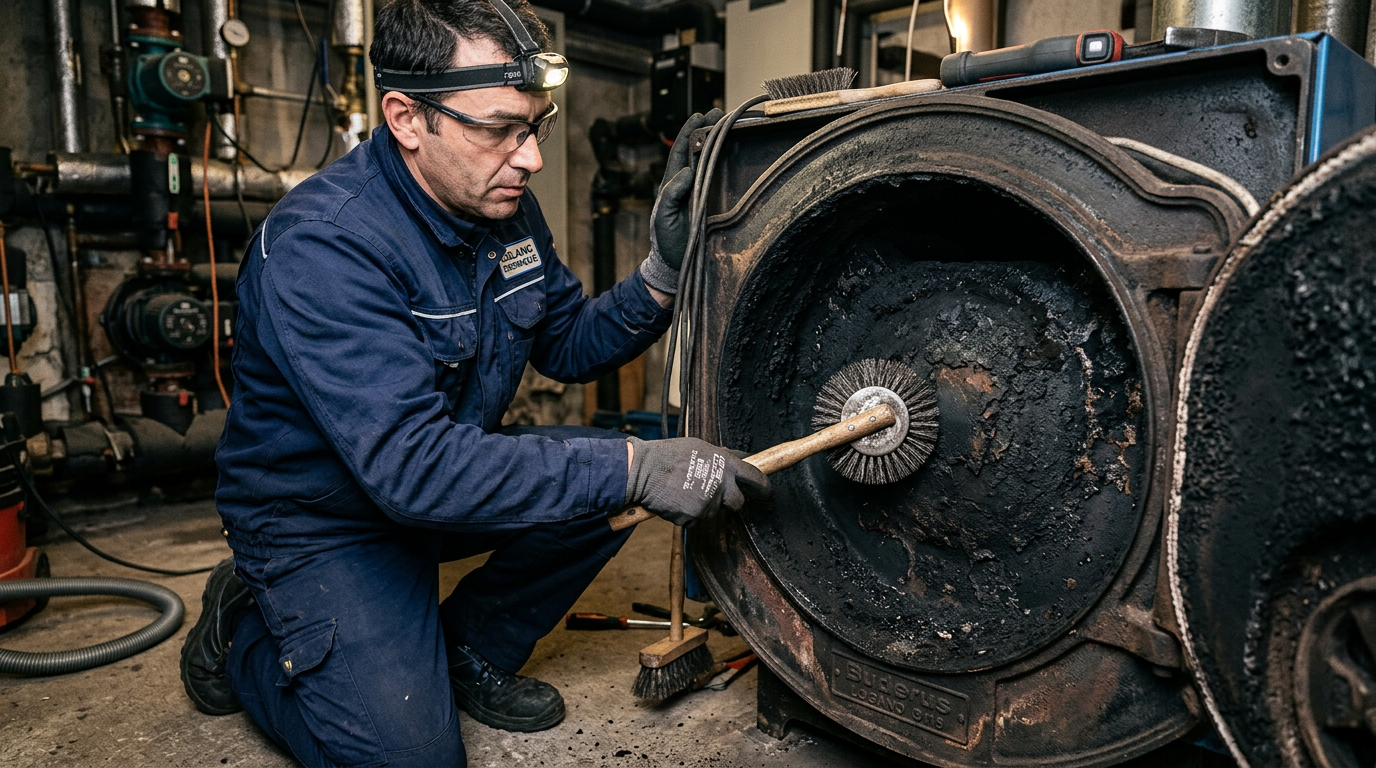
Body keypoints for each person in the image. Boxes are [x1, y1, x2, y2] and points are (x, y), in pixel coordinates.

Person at [177, 0, 768, 764]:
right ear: (405, 117)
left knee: (596, 485)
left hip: (435, 475)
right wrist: (633, 467)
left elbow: (568, 344)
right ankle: (246, 633)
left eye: (536, 125)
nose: (530, 159)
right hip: (322, 518)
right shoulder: (325, 246)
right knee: (412, 757)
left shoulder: (504, 215)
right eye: (499, 129)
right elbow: (412, 470)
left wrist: (661, 273)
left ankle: (468, 647)